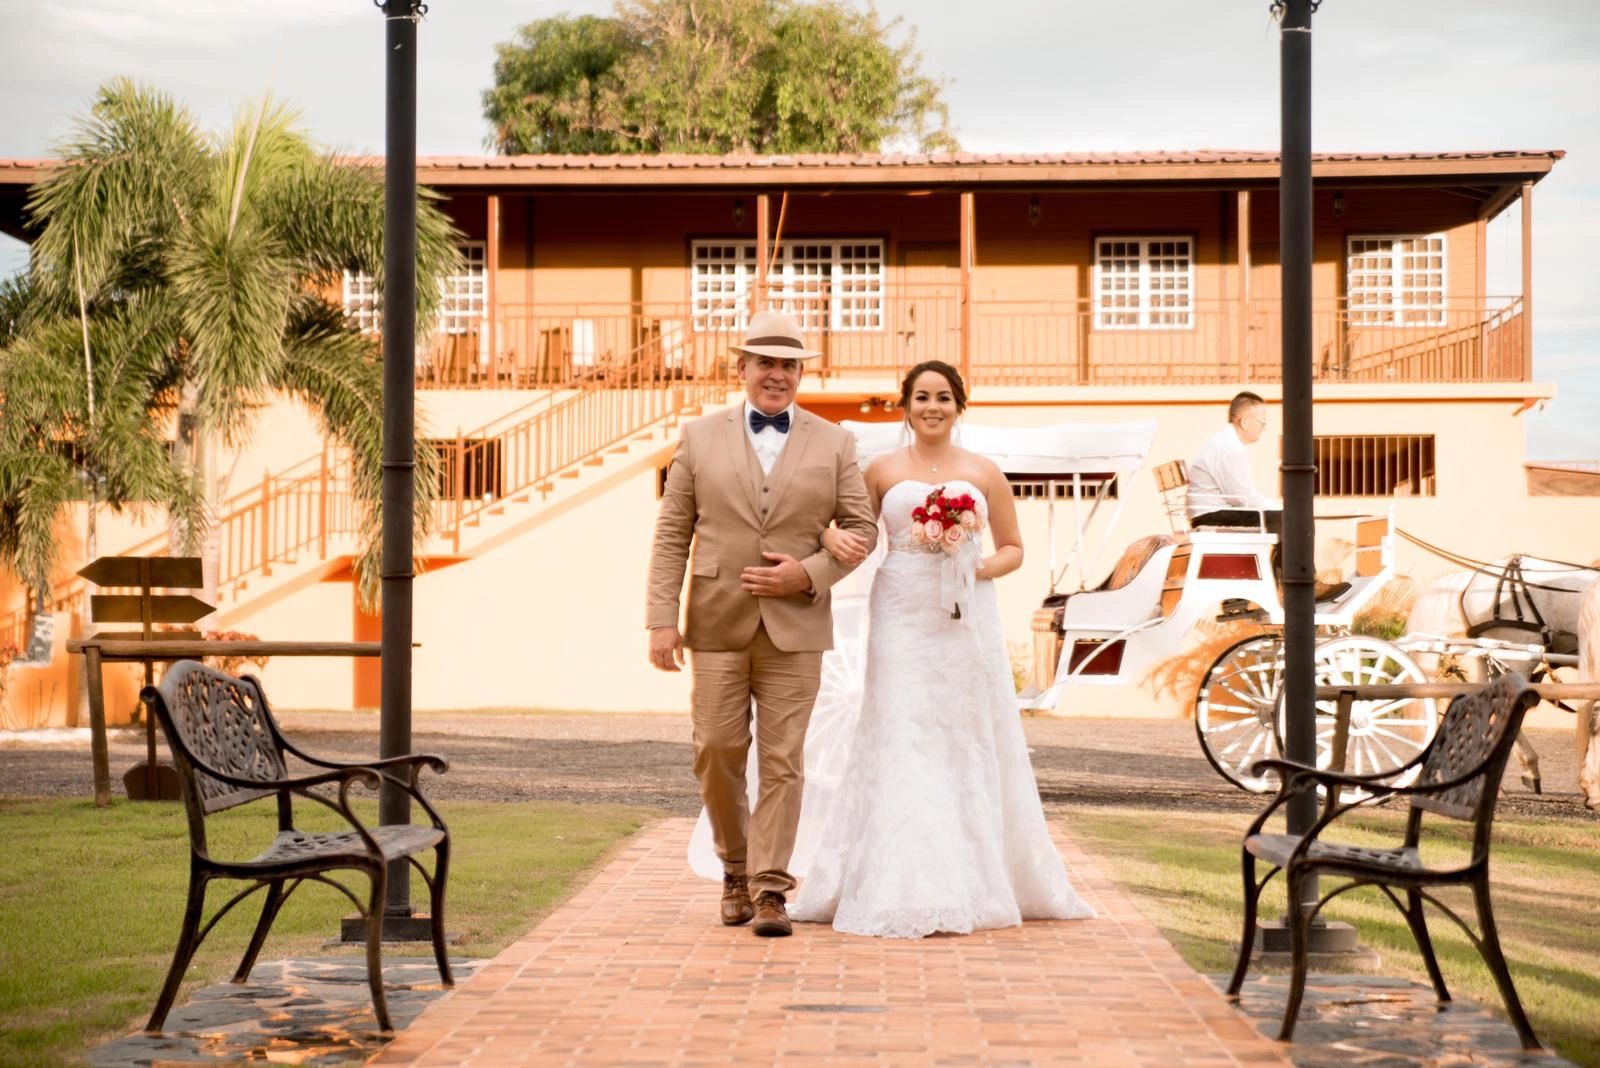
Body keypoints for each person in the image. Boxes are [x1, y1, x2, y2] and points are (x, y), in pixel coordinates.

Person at [788, 360, 1095, 938]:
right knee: (901, 729)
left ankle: (970, 877)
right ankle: (897, 878)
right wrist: (827, 533)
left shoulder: (983, 472)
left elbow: (1013, 548)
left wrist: (973, 564)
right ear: (906, 405)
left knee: (962, 733)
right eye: (922, 397)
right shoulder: (879, 469)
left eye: (944, 397)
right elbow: (852, 530)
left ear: (959, 406)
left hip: (964, 613)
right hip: (902, 607)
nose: (933, 407)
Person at [647, 309, 877, 938]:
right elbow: (672, 535)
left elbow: (862, 528)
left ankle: (771, 889)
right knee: (716, 751)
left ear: (801, 373)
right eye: (765, 363)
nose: (777, 375)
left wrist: (808, 573)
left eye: (789, 365)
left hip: (796, 626)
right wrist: (661, 620)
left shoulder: (834, 443)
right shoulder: (696, 438)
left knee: (782, 760)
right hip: (716, 620)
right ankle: (734, 867)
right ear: (741, 368)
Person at [1186, 391, 1280, 534]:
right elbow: (1244, 499)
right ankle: (1289, 558)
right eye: (1262, 423)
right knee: (1292, 520)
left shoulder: (1222, 441)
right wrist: (1280, 509)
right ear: (1244, 422)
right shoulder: (1231, 448)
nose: (1264, 428)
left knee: (1285, 518)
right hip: (1212, 516)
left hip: (1206, 513)